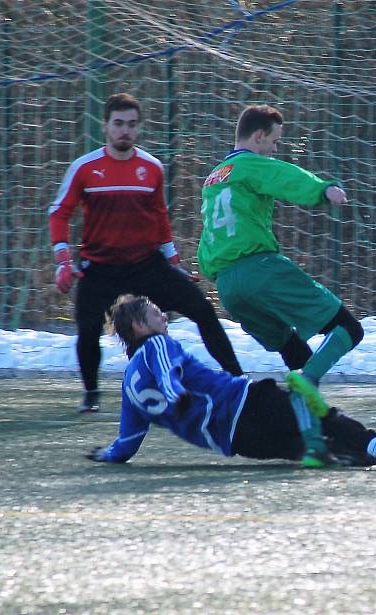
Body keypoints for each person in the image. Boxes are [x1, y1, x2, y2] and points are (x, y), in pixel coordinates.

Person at [85, 294, 376, 470]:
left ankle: (360, 457)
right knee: (318, 412)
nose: (163, 316)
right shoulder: (159, 344)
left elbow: (128, 442)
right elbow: (167, 372)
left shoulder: (129, 385)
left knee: (309, 449)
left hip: (238, 441)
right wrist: (176, 394)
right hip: (246, 402)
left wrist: (107, 455)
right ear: (139, 328)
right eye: (155, 314)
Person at [49, 93, 243, 413]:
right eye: (119, 124)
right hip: (100, 266)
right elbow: (59, 213)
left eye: (131, 125)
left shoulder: (152, 168)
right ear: (106, 126)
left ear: (138, 128)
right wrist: (63, 261)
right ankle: (91, 394)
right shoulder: (84, 168)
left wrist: (174, 262)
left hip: (146, 264)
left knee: (202, 310)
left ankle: (237, 378)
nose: (125, 130)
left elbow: (159, 217)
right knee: (87, 328)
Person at [197, 104, 362, 417]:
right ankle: (309, 383)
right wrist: (322, 190)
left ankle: (312, 436)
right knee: (349, 329)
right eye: (274, 142)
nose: (274, 150)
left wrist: (207, 270)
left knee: (295, 352)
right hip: (260, 271)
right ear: (258, 137)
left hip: (227, 288)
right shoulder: (251, 164)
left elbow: (208, 233)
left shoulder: (214, 178)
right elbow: (285, 176)